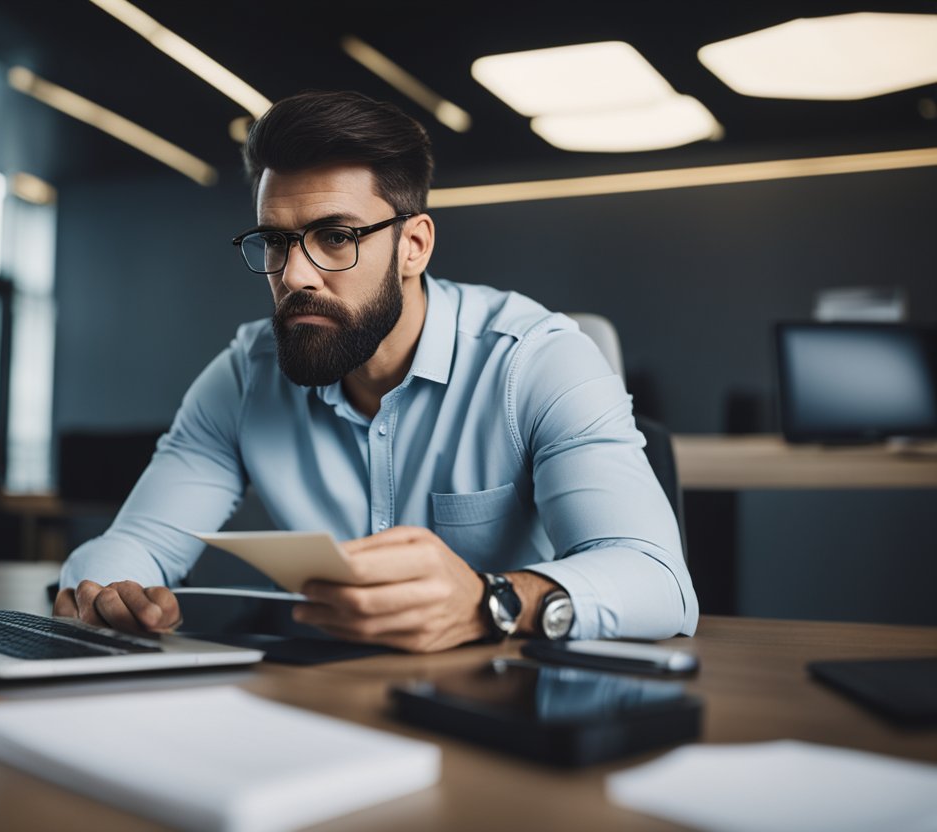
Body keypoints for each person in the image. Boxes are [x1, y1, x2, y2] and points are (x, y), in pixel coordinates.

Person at [54, 90, 698, 650]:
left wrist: (488, 602)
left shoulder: (539, 360)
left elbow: (659, 581)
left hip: (511, 699)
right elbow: (134, 544)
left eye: (335, 237)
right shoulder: (245, 376)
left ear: (413, 245)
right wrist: (107, 590)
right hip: (326, 701)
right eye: (276, 240)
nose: (295, 275)